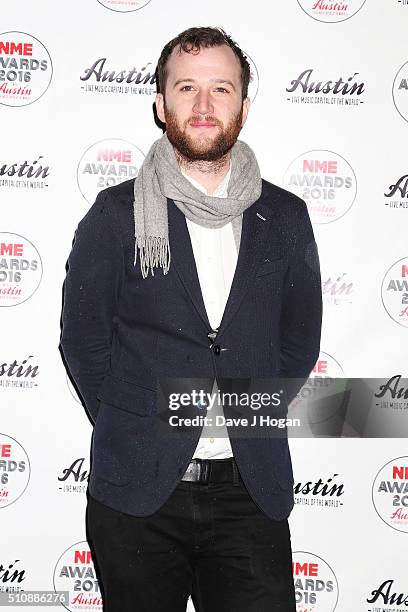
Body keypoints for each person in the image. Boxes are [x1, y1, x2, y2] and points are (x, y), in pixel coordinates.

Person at [60, 26, 322, 612]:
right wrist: (136, 423)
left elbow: (299, 341)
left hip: (248, 492)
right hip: (137, 499)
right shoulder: (115, 214)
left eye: (221, 89)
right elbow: (83, 342)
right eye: (186, 88)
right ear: (161, 104)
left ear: (245, 106)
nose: (203, 106)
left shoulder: (284, 216)